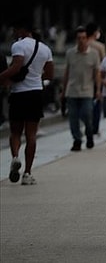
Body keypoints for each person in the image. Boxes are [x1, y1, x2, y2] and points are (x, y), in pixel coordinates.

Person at [0, 19, 54, 185]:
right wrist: (35, 76)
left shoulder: (19, 45)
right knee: (31, 135)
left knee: (15, 132)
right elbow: (49, 75)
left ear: (21, 30)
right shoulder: (45, 49)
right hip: (35, 93)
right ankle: (27, 173)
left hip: (18, 94)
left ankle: (15, 156)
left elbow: (16, 67)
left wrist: (2, 76)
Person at [61, 25, 102, 151]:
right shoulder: (70, 53)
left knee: (87, 115)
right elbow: (67, 72)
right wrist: (63, 90)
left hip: (87, 90)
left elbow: (97, 73)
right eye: (79, 38)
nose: (81, 40)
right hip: (72, 90)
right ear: (76, 39)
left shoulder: (94, 54)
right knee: (73, 118)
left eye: (83, 38)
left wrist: (98, 89)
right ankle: (77, 140)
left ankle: (89, 135)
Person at [86, 22, 106, 137]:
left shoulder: (82, 44)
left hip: (85, 78)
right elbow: (103, 64)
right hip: (97, 78)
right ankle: (94, 127)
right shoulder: (99, 46)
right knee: (97, 104)